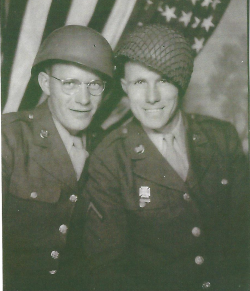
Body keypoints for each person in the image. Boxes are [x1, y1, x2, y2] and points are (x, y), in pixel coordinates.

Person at [83, 24, 249, 291]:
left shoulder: (222, 138)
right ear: (125, 87)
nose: (151, 97)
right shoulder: (110, 157)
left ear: (181, 82)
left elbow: (244, 240)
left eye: (163, 80)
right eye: (139, 82)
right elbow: (107, 273)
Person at [2, 25, 114, 291]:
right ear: (45, 83)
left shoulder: (108, 146)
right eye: (71, 83)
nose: (84, 99)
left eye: (94, 84)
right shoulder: (8, 137)